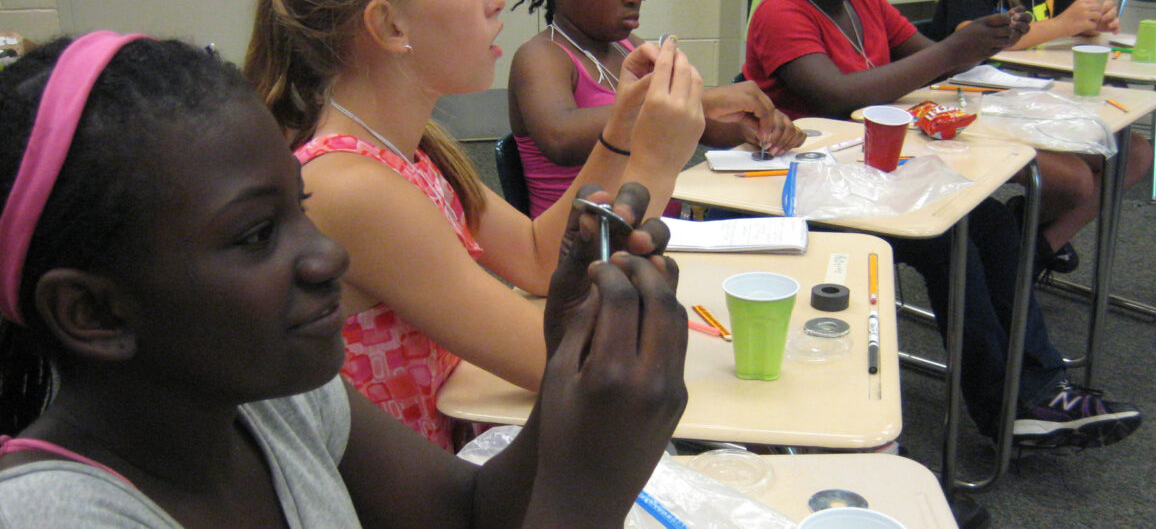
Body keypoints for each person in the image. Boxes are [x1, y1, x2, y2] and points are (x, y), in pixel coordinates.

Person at [0, 32, 688, 527]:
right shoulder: (56, 514)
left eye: (298, 207)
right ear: (92, 311)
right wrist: (586, 491)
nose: (326, 256)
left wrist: (568, 362)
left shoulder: (269, 402)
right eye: (254, 235)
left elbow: (471, 511)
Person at [244, 0, 705, 449]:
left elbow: (540, 258)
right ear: (389, 25)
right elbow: (567, 366)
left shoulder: (411, 149)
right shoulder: (349, 187)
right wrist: (659, 161)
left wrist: (621, 133)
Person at [744, 0, 1141, 449]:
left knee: (996, 225)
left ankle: (1039, 388)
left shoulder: (865, 2)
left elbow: (923, 58)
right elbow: (833, 97)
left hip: (876, 176)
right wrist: (955, 50)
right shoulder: (781, 14)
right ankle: (1005, 405)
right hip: (810, 190)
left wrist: (980, 42)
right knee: (950, 241)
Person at [508, 0, 807, 217]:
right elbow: (561, 137)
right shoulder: (541, 56)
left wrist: (752, 127)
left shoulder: (626, 46)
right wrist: (704, 100)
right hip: (583, 247)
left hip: (652, 230)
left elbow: (699, 127)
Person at [930, 0, 1152, 276]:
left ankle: (1033, 251)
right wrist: (1063, 24)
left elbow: (1068, 20)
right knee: (1076, 181)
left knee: (1135, 154)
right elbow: (970, 37)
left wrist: (1092, 22)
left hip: (1029, 103)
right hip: (971, 107)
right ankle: (1019, 249)